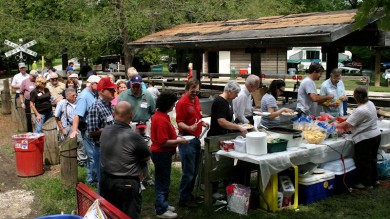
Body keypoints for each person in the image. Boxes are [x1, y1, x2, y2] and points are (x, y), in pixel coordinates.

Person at [100, 101, 151, 219]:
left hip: (106, 181)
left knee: (109, 215)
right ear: (131, 115)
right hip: (126, 184)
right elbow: (147, 156)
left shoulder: (105, 131)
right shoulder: (133, 136)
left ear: (114, 114)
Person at [335, 87, 381, 189]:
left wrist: (333, 124)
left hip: (365, 138)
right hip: (376, 135)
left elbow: (345, 125)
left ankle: (366, 183)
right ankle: (375, 180)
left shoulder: (360, 110)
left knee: (364, 161)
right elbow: (353, 118)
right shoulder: (370, 104)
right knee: (373, 159)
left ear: (355, 97)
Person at [151, 92, 187, 219]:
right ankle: (161, 210)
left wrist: (176, 137)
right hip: (161, 153)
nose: (174, 106)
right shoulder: (160, 119)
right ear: (168, 104)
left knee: (164, 180)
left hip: (162, 153)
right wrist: (179, 141)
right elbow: (163, 141)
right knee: (162, 182)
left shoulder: (161, 115)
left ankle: (163, 203)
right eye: (173, 104)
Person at [176, 79, 209, 208]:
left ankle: (189, 194)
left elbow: (198, 115)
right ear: (187, 90)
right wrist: (189, 128)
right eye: (192, 92)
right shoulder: (182, 103)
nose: (195, 94)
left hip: (195, 138)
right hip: (186, 139)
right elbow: (179, 122)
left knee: (195, 170)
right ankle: (183, 198)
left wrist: (202, 122)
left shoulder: (196, 99)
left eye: (197, 92)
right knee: (188, 171)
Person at [69, 75, 101, 185]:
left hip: (95, 129)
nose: (100, 86)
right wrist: (74, 130)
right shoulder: (84, 96)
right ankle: (91, 180)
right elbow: (77, 115)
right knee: (92, 156)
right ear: (92, 84)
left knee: (95, 155)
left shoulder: (94, 94)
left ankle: (94, 178)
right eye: (98, 83)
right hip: (88, 130)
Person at [86, 77, 116, 186]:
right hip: (101, 149)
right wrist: (111, 129)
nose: (114, 92)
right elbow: (92, 131)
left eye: (114, 90)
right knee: (103, 181)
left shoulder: (109, 106)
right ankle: (102, 202)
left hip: (111, 147)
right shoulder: (95, 107)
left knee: (111, 180)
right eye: (111, 90)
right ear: (102, 91)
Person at [54, 88, 86, 166]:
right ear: (67, 96)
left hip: (78, 126)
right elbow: (56, 117)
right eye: (73, 95)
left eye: (76, 95)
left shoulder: (79, 102)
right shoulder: (62, 103)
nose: (75, 96)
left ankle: (81, 160)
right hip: (67, 126)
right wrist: (62, 129)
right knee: (68, 143)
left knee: (80, 141)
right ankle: (68, 159)